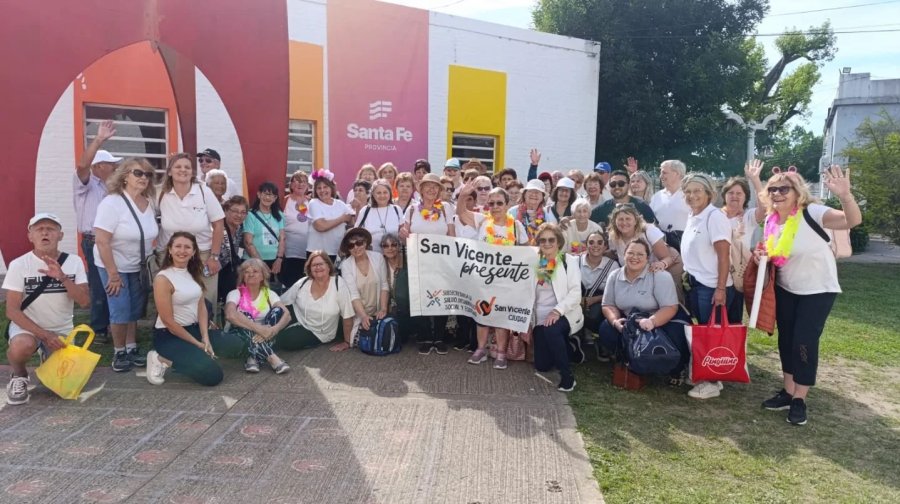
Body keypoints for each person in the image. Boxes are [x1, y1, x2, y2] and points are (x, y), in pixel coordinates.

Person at [756, 165, 861, 426]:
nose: (777, 193)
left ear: (797, 191)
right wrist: (761, 254)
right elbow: (774, 253)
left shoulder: (812, 212)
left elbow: (852, 221)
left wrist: (846, 196)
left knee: (804, 341)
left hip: (818, 289)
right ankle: (788, 391)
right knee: (787, 340)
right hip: (786, 288)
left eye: (784, 188)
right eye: (772, 189)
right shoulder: (771, 221)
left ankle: (800, 399)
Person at [4, 213, 89, 405]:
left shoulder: (74, 262)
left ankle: (47, 357)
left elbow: (84, 301)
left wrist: (63, 277)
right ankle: (19, 376)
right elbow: (12, 310)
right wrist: (44, 335)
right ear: (30, 236)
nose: (45, 233)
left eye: (50, 229)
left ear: (60, 235)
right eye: (39, 229)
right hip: (29, 328)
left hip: (61, 330)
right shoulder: (19, 265)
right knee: (21, 346)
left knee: (62, 390)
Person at [145, 232, 244, 386]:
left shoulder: (192, 273)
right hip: (170, 335)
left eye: (187, 247)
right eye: (178, 246)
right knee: (213, 376)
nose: (182, 251)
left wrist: (205, 337)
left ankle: (195, 357)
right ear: (170, 250)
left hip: (194, 329)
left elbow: (201, 306)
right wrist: (198, 344)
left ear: (193, 252)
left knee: (236, 344)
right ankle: (160, 358)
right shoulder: (163, 278)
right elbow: (168, 322)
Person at [94, 158, 158, 372]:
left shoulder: (148, 203)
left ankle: (131, 347)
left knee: (134, 309)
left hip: (137, 267)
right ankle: (119, 351)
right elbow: (102, 240)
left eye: (148, 175)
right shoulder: (112, 203)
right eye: (138, 173)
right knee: (120, 308)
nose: (144, 178)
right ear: (124, 176)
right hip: (114, 265)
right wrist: (113, 274)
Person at [598, 238, 690, 384]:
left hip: (661, 318)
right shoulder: (614, 276)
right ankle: (630, 361)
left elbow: (671, 307)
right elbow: (608, 305)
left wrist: (652, 321)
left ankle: (675, 368)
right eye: (631, 253)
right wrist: (615, 321)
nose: (635, 257)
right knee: (606, 328)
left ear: (648, 258)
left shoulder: (660, 276)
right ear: (624, 255)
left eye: (640, 254)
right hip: (631, 320)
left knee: (676, 331)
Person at [456, 184, 528, 368]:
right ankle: (481, 349)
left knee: (501, 316)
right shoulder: (482, 221)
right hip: (483, 278)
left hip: (506, 279)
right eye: (491, 203)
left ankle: (501, 353)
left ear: (506, 204)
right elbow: (461, 213)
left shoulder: (517, 226)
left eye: (499, 203)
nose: (495, 206)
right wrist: (464, 194)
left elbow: (526, 252)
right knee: (482, 314)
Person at [680, 172, 735, 400]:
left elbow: (724, 256)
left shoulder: (715, 217)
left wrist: (720, 289)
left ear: (709, 194)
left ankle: (712, 381)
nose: (692, 196)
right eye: (688, 192)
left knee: (711, 333)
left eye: (697, 191)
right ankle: (705, 374)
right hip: (695, 283)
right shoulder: (693, 215)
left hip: (712, 286)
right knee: (702, 331)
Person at [157, 153, 225, 305]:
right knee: (172, 298)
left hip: (202, 254)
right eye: (178, 167)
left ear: (192, 172)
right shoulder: (161, 193)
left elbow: (218, 224)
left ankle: (206, 328)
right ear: (169, 171)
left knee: (205, 298)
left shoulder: (203, 191)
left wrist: (214, 257)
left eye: (187, 167)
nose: (183, 170)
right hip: (170, 256)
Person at [400, 173, 455, 355]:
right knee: (420, 298)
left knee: (440, 296)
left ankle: (438, 337)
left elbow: (451, 234)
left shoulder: (446, 208)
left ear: (439, 190)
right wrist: (403, 232)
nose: (431, 189)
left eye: (435, 186)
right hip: (418, 262)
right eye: (427, 186)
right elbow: (404, 231)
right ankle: (424, 337)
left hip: (440, 262)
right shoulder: (412, 210)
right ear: (421, 189)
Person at [74, 120, 118, 343]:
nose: (115, 168)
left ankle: (115, 323)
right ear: (99, 166)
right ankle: (100, 328)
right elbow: (82, 165)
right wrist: (99, 139)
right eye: (111, 165)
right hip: (93, 241)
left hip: (112, 242)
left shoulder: (111, 187)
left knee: (113, 280)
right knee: (99, 283)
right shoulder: (85, 183)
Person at [531, 223, 583, 392]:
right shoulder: (535, 262)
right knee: (542, 366)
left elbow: (576, 293)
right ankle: (570, 348)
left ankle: (568, 377)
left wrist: (557, 311)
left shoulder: (568, 261)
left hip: (564, 312)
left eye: (551, 239)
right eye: (542, 240)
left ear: (558, 242)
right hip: (540, 316)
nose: (547, 243)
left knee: (552, 329)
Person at [278, 251, 356, 351]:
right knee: (276, 314)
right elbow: (281, 301)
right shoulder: (304, 282)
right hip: (299, 317)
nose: (317, 267)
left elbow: (347, 314)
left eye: (321, 264)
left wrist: (346, 342)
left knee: (287, 339)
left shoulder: (338, 283)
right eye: (314, 265)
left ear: (329, 266)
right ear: (309, 268)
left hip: (319, 332)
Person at [224, 259, 291, 374]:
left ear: (262, 276)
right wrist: (259, 329)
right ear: (242, 276)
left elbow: (287, 315)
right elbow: (230, 315)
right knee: (243, 315)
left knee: (278, 310)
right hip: (239, 336)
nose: (251, 274)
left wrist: (274, 329)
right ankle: (272, 357)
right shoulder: (235, 293)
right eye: (246, 271)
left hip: (267, 334)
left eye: (255, 271)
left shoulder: (269, 293)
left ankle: (254, 358)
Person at [606, 205, 684, 301]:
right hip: (641, 270)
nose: (624, 222)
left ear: (635, 220)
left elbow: (667, 258)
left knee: (671, 298)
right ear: (614, 221)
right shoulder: (613, 236)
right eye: (620, 219)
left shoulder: (648, 230)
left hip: (668, 264)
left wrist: (661, 264)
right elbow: (613, 253)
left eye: (628, 219)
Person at [721, 160, 766, 323]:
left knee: (733, 321)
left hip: (737, 277)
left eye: (739, 193)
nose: (734, 196)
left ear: (745, 197)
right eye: (731, 193)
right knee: (714, 320)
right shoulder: (714, 216)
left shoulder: (748, 217)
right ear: (724, 195)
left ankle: (731, 349)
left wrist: (755, 180)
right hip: (716, 274)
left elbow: (765, 208)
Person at [338, 228, 390, 347]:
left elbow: (384, 285)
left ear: (365, 242)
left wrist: (383, 309)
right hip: (358, 313)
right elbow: (353, 294)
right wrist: (363, 316)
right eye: (351, 245)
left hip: (378, 310)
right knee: (358, 342)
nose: (356, 247)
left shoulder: (378, 258)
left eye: (359, 243)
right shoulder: (346, 265)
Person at [578, 231, 619, 359]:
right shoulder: (576, 261)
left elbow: (615, 291)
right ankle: (578, 338)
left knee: (596, 314)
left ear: (605, 246)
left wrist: (593, 299)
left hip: (601, 299)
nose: (595, 245)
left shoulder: (612, 265)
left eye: (599, 242)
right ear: (586, 245)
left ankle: (599, 337)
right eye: (591, 242)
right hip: (577, 298)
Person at [243, 181, 287, 286]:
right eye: (265, 194)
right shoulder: (250, 215)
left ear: (275, 198)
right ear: (259, 194)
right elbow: (248, 242)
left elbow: (282, 239)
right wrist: (260, 263)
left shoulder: (279, 215)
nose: (268, 198)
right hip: (254, 262)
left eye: (272, 195)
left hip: (275, 263)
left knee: (272, 293)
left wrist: (279, 259)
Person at [307, 171, 355, 262]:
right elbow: (321, 226)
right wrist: (342, 218)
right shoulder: (314, 203)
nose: (322, 190)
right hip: (317, 254)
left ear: (331, 188)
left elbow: (351, 221)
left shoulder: (340, 204)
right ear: (315, 191)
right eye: (319, 188)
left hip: (337, 253)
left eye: (325, 187)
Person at [590, 170, 656, 227]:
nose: (617, 187)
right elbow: (587, 222)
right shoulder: (604, 207)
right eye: (613, 184)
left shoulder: (641, 205)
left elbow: (655, 226)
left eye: (621, 183)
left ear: (628, 185)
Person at [650, 160, 692, 247]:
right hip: (661, 247)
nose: (660, 176)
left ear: (677, 173)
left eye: (664, 173)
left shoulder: (691, 195)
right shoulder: (656, 197)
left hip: (686, 246)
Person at [217, 196, 248, 310]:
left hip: (229, 270)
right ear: (225, 211)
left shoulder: (240, 228)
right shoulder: (217, 228)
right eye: (235, 211)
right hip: (216, 271)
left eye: (243, 212)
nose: (239, 215)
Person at [355, 179, 403, 253]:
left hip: (394, 255)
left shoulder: (397, 209)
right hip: (372, 256)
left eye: (385, 192)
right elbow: (357, 233)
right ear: (373, 194)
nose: (382, 195)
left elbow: (402, 233)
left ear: (390, 193)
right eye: (378, 193)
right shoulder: (365, 211)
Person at [281, 170, 311, 288]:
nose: (300, 184)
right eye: (297, 181)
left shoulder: (310, 201)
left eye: (303, 181)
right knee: (290, 282)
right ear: (291, 185)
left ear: (307, 186)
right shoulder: (285, 200)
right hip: (288, 250)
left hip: (306, 249)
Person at [381, 233, 412, 341]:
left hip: (410, 304)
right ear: (382, 249)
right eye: (385, 246)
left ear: (399, 246)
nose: (390, 248)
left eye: (393, 245)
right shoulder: (381, 264)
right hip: (393, 306)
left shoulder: (408, 260)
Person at [509, 179, 558, 245]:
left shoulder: (548, 214)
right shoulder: (512, 212)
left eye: (537, 192)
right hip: (517, 251)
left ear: (542, 197)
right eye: (531, 191)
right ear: (524, 195)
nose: (534, 194)